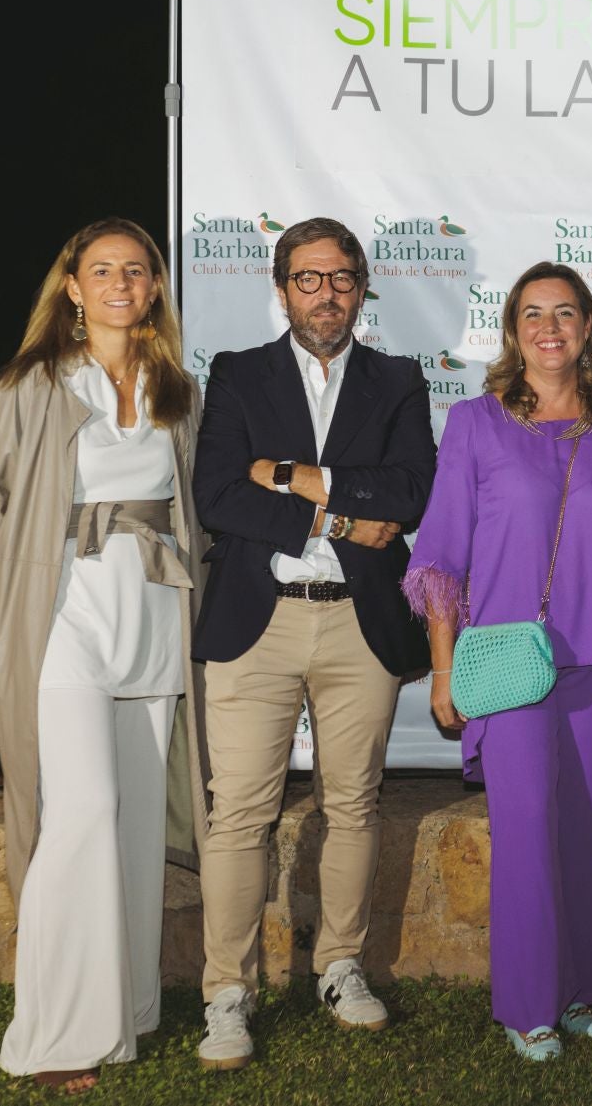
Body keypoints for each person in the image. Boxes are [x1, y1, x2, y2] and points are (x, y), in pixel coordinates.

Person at [0, 217, 208, 1094]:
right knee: (84, 812)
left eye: (134, 270)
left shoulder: (177, 384)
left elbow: (190, 506)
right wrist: (15, 585)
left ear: (152, 287)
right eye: (100, 270)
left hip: (152, 614)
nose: (118, 283)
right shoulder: (34, 381)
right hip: (64, 615)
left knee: (138, 821)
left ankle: (129, 1011)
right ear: (72, 285)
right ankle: (56, 1033)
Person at [189, 216, 437, 1070]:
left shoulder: (399, 379)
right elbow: (219, 492)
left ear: (362, 287)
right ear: (281, 284)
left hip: (358, 621)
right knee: (241, 814)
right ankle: (229, 990)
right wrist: (336, 513)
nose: (325, 294)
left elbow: (410, 490)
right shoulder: (237, 374)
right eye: (308, 278)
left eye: (340, 278)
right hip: (258, 620)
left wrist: (286, 472)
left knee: (355, 803)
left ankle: (339, 964)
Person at [402, 262, 592, 1063]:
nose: (550, 328)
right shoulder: (476, 424)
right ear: (514, 334)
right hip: (505, 664)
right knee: (524, 830)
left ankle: (579, 985)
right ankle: (527, 1003)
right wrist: (444, 671)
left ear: (587, 328)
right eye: (532, 316)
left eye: (565, 313)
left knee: (590, 827)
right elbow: (443, 553)